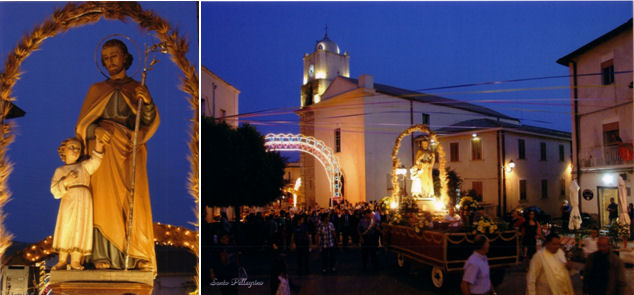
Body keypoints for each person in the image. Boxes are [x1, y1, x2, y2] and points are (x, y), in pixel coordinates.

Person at [76, 38, 159, 271]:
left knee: (133, 200)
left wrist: (148, 101)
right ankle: (100, 254)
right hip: (102, 149)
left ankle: (136, 255)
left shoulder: (136, 88)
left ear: (125, 57)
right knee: (103, 200)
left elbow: (148, 121)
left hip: (131, 149)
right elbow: (82, 126)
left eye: (113, 56)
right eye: (105, 58)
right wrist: (96, 129)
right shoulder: (97, 90)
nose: (109, 61)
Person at [50, 134, 108, 270]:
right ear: (63, 151)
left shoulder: (83, 167)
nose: (75, 151)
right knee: (66, 228)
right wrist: (65, 181)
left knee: (80, 228)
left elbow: (95, 161)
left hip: (84, 201)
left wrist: (99, 145)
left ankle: (76, 260)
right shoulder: (60, 170)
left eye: (78, 148)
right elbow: (54, 191)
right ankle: (62, 260)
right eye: (72, 147)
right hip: (68, 200)